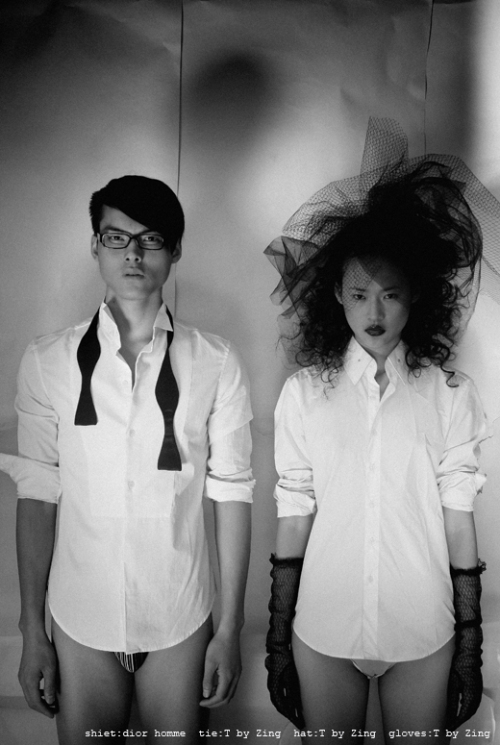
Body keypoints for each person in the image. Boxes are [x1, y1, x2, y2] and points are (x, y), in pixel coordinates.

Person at [263, 119, 496, 742]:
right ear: (335, 294)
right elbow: (295, 510)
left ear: (415, 296)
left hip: (423, 626)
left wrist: (469, 641)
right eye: (359, 292)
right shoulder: (304, 394)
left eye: (390, 294)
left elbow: (458, 518)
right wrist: (278, 635)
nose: (374, 310)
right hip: (324, 625)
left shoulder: (451, 395)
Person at [0, 175, 254, 745]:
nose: (133, 254)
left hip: (180, 613)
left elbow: (232, 492)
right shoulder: (47, 361)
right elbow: (38, 496)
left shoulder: (216, 361)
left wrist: (230, 628)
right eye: (116, 238)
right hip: (79, 615)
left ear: (175, 250)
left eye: (150, 239)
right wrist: (32, 631)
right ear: (95, 245)